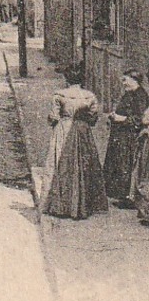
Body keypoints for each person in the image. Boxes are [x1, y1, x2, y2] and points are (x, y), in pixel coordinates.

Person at [43, 84, 109, 219]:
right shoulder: (89, 96)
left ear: (67, 79)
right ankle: (82, 206)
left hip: (63, 130)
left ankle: (61, 205)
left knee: (61, 165)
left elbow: (53, 117)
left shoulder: (59, 95)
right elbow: (92, 119)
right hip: (83, 131)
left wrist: (56, 120)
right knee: (83, 165)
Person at [105, 71, 149, 204]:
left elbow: (140, 119)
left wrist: (120, 118)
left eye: (125, 80)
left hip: (130, 136)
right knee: (120, 163)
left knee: (127, 164)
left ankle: (127, 197)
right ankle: (120, 193)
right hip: (122, 134)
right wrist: (114, 115)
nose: (123, 83)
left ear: (134, 80)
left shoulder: (140, 96)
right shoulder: (130, 93)